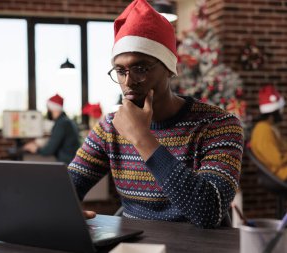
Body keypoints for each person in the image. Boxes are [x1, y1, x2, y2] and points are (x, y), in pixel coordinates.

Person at [67, 0, 244, 228]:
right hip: (134, 245)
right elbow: (69, 186)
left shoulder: (219, 124)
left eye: (141, 68)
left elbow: (209, 211)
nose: (128, 82)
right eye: (120, 71)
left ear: (169, 69)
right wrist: (63, 209)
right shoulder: (110, 127)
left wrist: (142, 138)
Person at [23, 94, 80, 164]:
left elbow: (49, 150)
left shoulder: (61, 123)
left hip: (67, 164)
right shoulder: (67, 121)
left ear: (52, 109)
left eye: (48, 108)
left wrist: (35, 149)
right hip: (72, 161)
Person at [250, 84, 287, 181]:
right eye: (281, 109)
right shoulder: (263, 129)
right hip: (283, 173)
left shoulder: (268, 127)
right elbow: (277, 160)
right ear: (274, 111)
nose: (282, 112)